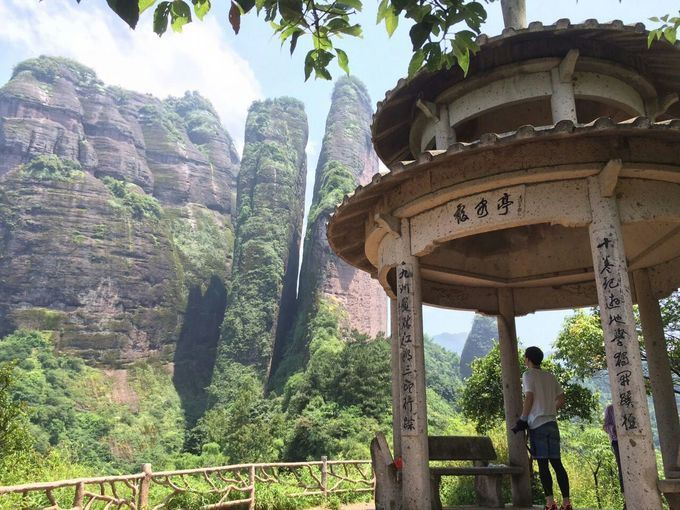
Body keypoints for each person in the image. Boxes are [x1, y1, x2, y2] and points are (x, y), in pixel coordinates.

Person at [512, 346, 572, 510]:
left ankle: (550, 503)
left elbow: (529, 397)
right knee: (557, 464)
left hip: (537, 425)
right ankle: (566, 503)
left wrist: (523, 418)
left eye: (525, 358)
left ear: (528, 359)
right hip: (552, 424)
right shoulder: (550, 376)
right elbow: (561, 398)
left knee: (543, 465)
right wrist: (549, 408)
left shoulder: (528, 375)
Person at [603, 403, 625, 497]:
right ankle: (626, 499)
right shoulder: (610, 408)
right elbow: (605, 426)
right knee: (622, 469)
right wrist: (614, 429)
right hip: (617, 442)